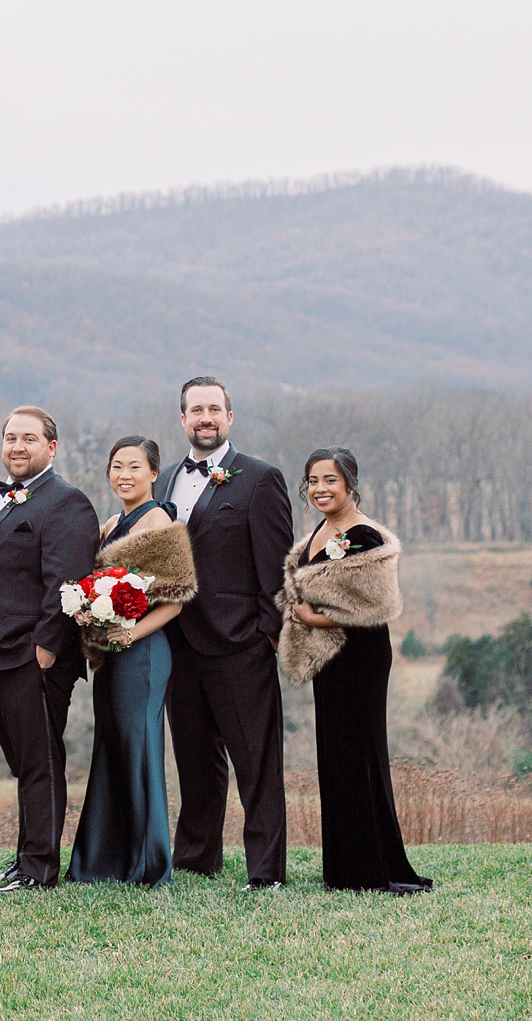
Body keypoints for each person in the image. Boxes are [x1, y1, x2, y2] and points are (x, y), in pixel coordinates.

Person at [160, 375, 295, 889]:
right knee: (195, 761)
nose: (206, 418)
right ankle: (196, 859)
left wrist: (266, 635)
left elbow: (277, 567)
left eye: (214, 409)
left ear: (230, 417)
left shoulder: (260, 479)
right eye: (196, 410)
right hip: (179, 643)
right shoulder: (166, 478)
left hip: (240, 645)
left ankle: (265, 871)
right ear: (183, 420)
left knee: (257, 765)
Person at [278, 448, 431, 895]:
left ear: (350, 484)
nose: (320, 488)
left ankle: (370, 870)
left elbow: (377, 606)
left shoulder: (365, 536)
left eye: (330, 480)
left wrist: (313, 619)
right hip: (328, 659)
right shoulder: (319, 533)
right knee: (336, 758)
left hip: (359, 657)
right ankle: (344, 868)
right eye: (312, 481)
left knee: (360, 755)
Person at [0, 406, 99, 892]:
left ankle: (40, 868)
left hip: (32, 656)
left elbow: (66, 579)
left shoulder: (68, 503)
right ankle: (25, 859)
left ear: (51, 447)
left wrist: (45, 649)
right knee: (24, 763)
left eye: (29, 439)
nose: (18, 447)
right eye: (11, 438)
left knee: (40, 762)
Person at [67, 436, 197, 888]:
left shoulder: (158, 520)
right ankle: (104, 859)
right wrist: (86, 608)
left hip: (143, 654)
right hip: (111, 656)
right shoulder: (111, 523)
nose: (124, 475)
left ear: (153, 474)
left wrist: (130, 632)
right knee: (112, 746)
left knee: (139, 747)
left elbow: (176, 599)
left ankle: (148, 862)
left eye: (134, 467)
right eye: (117, 466)